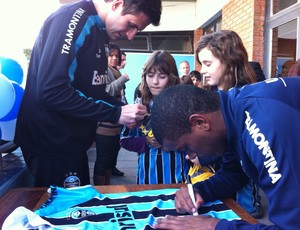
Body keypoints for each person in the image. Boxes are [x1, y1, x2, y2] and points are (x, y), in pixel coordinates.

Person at [14, 0, 162, 188]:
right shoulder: (73, 18)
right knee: (64, 214)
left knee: (81, 211)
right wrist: (115, 114)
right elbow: (51, 90)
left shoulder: (101, 29)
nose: (131, 36)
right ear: (117, 4)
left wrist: (122, 109)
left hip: (72, 146)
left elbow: (92, 91)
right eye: (131, 25)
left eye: (137, 30)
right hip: (51, 145)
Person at [151, 78, 300, 229]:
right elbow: (235, 173)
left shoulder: (265, 129)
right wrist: (199, 191)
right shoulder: (231, 112)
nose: (192, 155)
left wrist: (214, 226)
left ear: (200, 122)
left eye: (186, 148)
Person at [195, 30, 262, 218]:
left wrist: (204, 156)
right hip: (217, 179)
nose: (202, 70)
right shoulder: (212, 95)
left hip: (240, 187)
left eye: (208, 64)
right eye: (202, 64)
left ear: (229, 60)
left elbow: (237, 161)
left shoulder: (246, 99)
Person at [120, 50, 188, 184]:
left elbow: (197, 142)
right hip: (146, 179)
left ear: (172, 77)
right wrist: (145, 141)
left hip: (178, 179)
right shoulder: (138, 107)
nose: (155, 82)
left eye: (162, 76)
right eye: (150, 75)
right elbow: (124, 140)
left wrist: (176, 143)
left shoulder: (184, 106)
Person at [94, 43, 129, 185]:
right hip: (105, 124)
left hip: (115, 122)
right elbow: (107, 91)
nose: (114, 58)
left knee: (109, 160)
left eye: (117, 55)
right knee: (103, 159)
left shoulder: (114, 71)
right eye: (111, 55)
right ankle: (99, 192)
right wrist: (123, 79)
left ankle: (107, 189)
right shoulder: (104, 70)